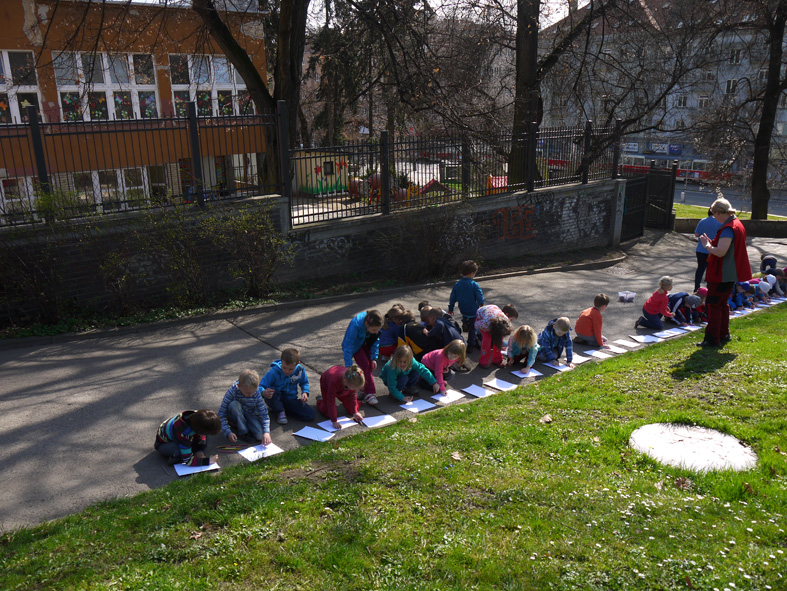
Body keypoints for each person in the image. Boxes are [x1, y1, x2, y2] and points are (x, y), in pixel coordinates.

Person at [698, 198, 752, 347]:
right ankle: (723, 334)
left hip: (722, 273)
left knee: (714, 305)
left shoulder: (728, 228)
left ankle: (712, 339)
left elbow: (721, 252)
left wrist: (707, 245)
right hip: (730, 273)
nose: (714, 218)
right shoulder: (736, 224)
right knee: (722, 304)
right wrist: (713, 243)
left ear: (718, 212)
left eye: (714, 215)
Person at [261, 347, 315, 424]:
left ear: (297, 364)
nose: (287, 371)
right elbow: (261, 385)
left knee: (310, 415)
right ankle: (280, 411)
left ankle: (283, 410)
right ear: (281, 362)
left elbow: (304, 382)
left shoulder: (300, 370)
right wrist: (263, 392)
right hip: (276, 397)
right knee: (273, 390)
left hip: (290, 399)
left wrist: (305, 392)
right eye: (284, 368)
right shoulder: (273, 372)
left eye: (290, 369)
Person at [218, 369, 272, 445]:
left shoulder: (256, 393)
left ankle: (242, 425)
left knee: (260, 436)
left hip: (250, 414)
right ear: (239, 386)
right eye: (248, 393)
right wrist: (228, 432)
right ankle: (243, 432)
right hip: (236, 412)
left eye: (253, 392)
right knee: (234, 405)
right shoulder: (232, 391)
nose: (251, 395)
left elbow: (263, 414)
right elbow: (221, 414)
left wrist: (267, 432)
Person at [342, 309, 384, 405]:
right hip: (356, 346)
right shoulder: (355, 325)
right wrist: (348, 364)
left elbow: (375, 341)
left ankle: (362, 388)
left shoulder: (374, 328)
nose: (375, 332)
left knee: (370, 365)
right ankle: (370, 393)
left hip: (366, 343)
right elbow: (348, 345)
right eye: (374, 330)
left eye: (377, 330)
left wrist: (374, 357)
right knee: (365, 365)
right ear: (366, 324)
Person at [154, 409, 220, 467]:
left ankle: (190, 449)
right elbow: (188, 461)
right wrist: (208, 461)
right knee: (178, 451)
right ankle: (176, 457)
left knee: (205, 439)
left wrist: (200, 451)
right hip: (164, 444)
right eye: (204, 433)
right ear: (199, 431)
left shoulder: (198, 417)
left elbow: (203, 436)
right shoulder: (183, 433)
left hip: (184, 437)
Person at [448, 260, 484, 352]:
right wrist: (482, 304)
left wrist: (451, 308)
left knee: (466, 318)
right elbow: (479, 295)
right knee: (473, 328)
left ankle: (465, 323)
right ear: (472, 273)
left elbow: (453, 297)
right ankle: (471, 344)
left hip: (463, 309)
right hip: (473, 310)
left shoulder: (457, 284)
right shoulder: (474, 285)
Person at [316, 364, 366, 430]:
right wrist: (334, 421)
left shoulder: (352, 381)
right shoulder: (334, 381)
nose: (356, 390)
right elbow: (331, 401)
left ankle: (346, 401)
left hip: (344, 388)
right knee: (328, 412)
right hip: (327, 384)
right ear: (346, 382)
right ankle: (320, 401)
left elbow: (353, 396)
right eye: (354, 388)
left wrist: (355, 412)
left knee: (352, 410)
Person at [474, 304, 512, 368]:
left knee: (498, 340)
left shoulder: (505, 320)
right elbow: (476, 325)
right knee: (487, 340)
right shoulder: (485, 323)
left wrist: (501, 342)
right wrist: (487, 330)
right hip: (482, 315)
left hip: (494, 312)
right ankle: (484, 360)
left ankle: (497, 359)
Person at [694, 208, 723, 293]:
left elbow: (696, 234)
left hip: (700, 249)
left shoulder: (702, 221)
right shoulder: (720, 223)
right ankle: (709, 287)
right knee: (710, 269)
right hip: (712, 250)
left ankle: (697, 287)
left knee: (700, 268)